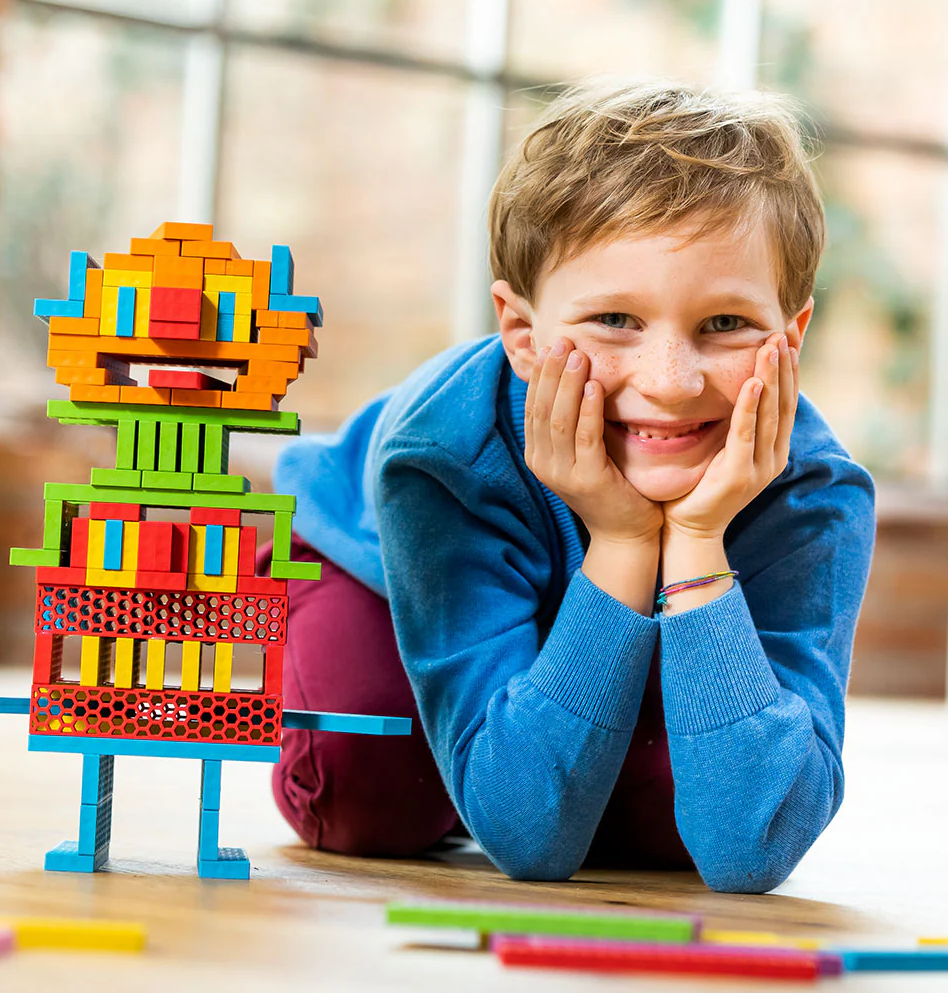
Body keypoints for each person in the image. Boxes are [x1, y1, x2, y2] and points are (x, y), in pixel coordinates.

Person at [256, 78, 877, 894]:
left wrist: (693, 539)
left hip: (638, 597)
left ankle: (517, 738)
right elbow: (532, 841)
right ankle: (475, 746)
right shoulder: (440, 459)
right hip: (374, 563)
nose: (670, 382)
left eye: (725, 324)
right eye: (615, 320)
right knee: (370, 798)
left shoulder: (814, 496)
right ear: (522, 334)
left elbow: (751, 846)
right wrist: (622, 538)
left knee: (681, 805)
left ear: (790, 338)